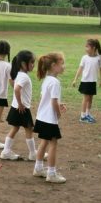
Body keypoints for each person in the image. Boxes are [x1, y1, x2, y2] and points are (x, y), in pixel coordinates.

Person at [33, 53, 67, 183]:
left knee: (44, 143)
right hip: (49, 119)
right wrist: (58, 113)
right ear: (53, 65)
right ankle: (51, 174)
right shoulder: (55, 82)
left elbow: (46, 99)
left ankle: (38, 168)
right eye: (61, 64)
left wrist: (58, 104)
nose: (64, 66)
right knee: (53, 144)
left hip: (42, 117)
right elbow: (53, 102)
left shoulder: (47, 79)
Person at [0, 50, 37, 161]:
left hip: (16, 107)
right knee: (29, 129)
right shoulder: (24, 76)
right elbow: (17, 89)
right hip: (22, 108)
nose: (33, 65)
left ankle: (6, 151)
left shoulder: (19, 74)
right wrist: (20, 104)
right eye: (31, 62)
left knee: (15, 128)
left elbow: (13, 83)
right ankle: (32, 154)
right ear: (23, 64)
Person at [71, 38, 101, 123]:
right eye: (85, 46)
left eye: (87, 47)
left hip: (93, 81)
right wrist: (75, 79)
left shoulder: (99, 58)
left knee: (91, 98)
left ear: (93, 48)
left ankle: (87, 114)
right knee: (86, 98)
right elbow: (80, 68)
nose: (85, 48)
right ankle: (82, 116)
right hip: (85, 81)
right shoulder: (84, 58)